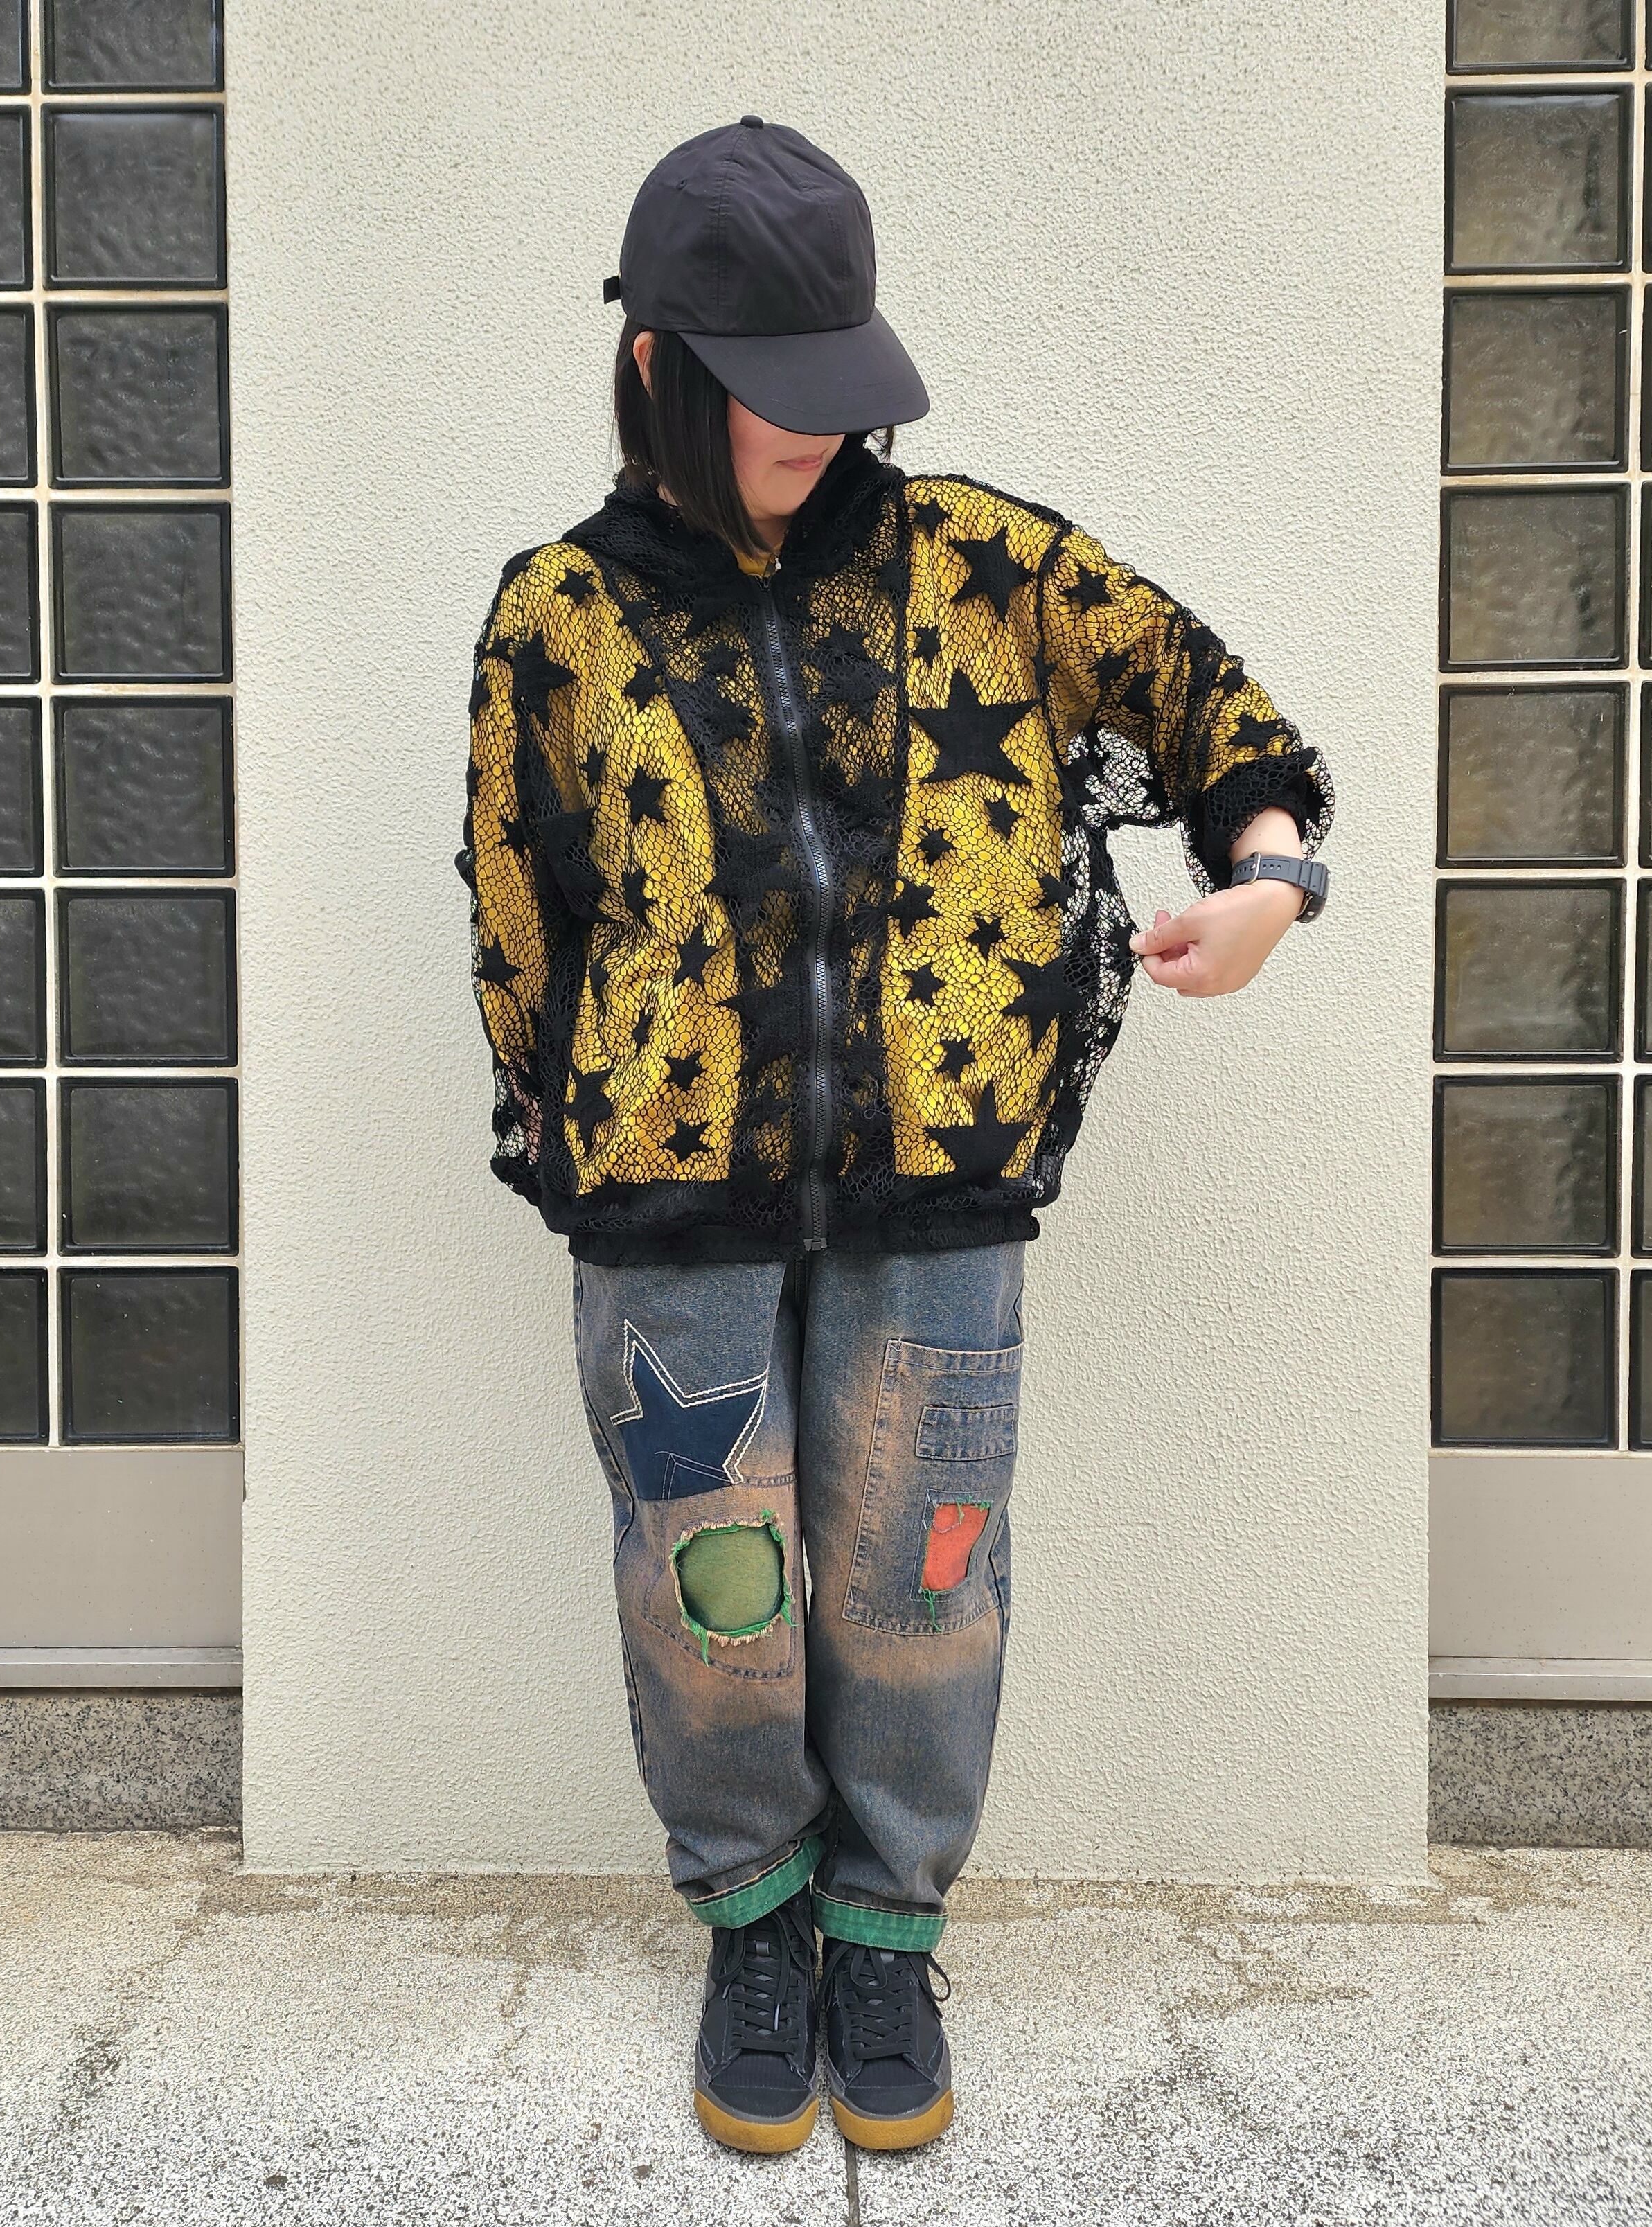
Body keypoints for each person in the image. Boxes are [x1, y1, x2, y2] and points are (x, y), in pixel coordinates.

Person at [458, 116, 1335, 2157]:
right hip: (668, 1204)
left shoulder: (989, 569)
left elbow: (1216, 712)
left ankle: (884, 1931)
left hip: (939, 1185)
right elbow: (517, 917)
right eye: (770, 386)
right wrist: (585, 1151)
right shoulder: (555, 616)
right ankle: (755, 1920)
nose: (815, 426)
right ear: (661, 365)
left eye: (836, 379)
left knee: (923, 1574)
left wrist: (1271, 882)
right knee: (715, 1583)